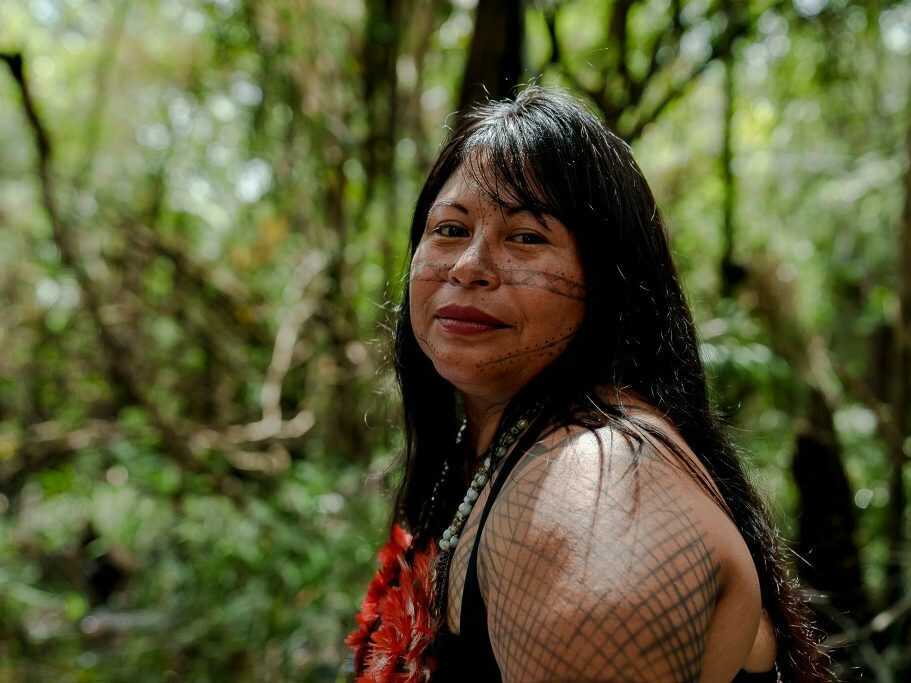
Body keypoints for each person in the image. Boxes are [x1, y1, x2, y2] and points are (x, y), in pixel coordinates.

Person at [347, 86, 830, 682]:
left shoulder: (594, 485)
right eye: (449, 229)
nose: (469, 265)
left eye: (526, 237)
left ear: (609, 282)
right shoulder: (503, 445)